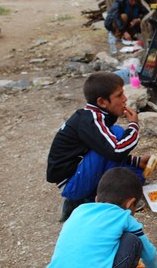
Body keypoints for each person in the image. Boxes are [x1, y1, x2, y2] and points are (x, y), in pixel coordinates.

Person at [40, 167, 157, 268]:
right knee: (133, 241)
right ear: (130, 203)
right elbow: (151, 260)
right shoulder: (124, 217)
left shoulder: (78, 211)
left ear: (97, 199)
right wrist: (154, 265)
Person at [46, 72, 150, 222]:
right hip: (72, 182)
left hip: (81, 172)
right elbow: (115, 151)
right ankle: (81, 201)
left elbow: (104, 150)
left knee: (137, 177)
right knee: (118, 132)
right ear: (102, 102)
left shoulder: (98, 117)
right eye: (119, 95)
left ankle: (99, 196)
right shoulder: (90, 119)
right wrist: (133, 125)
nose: (125, 99)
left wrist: (135, 161)